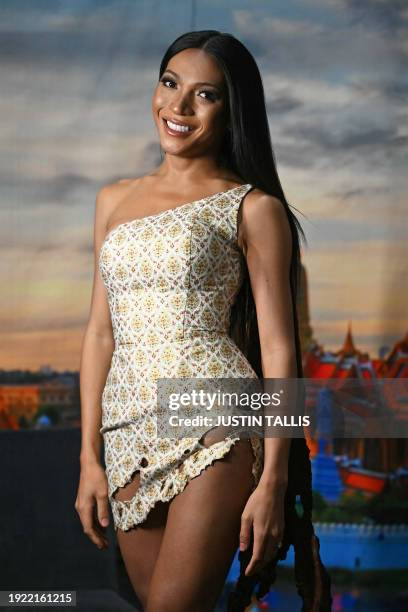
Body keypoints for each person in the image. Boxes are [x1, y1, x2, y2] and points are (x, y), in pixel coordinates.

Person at [75, 30, 332, 611]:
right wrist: (89, 456)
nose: (179, 106)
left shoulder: (253, 207)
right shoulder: (112, 200)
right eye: (170, 83)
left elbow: (279, 348)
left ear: (232, 108)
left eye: (205, 94)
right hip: (124, 434)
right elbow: (99, 332)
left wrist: (273, 480)